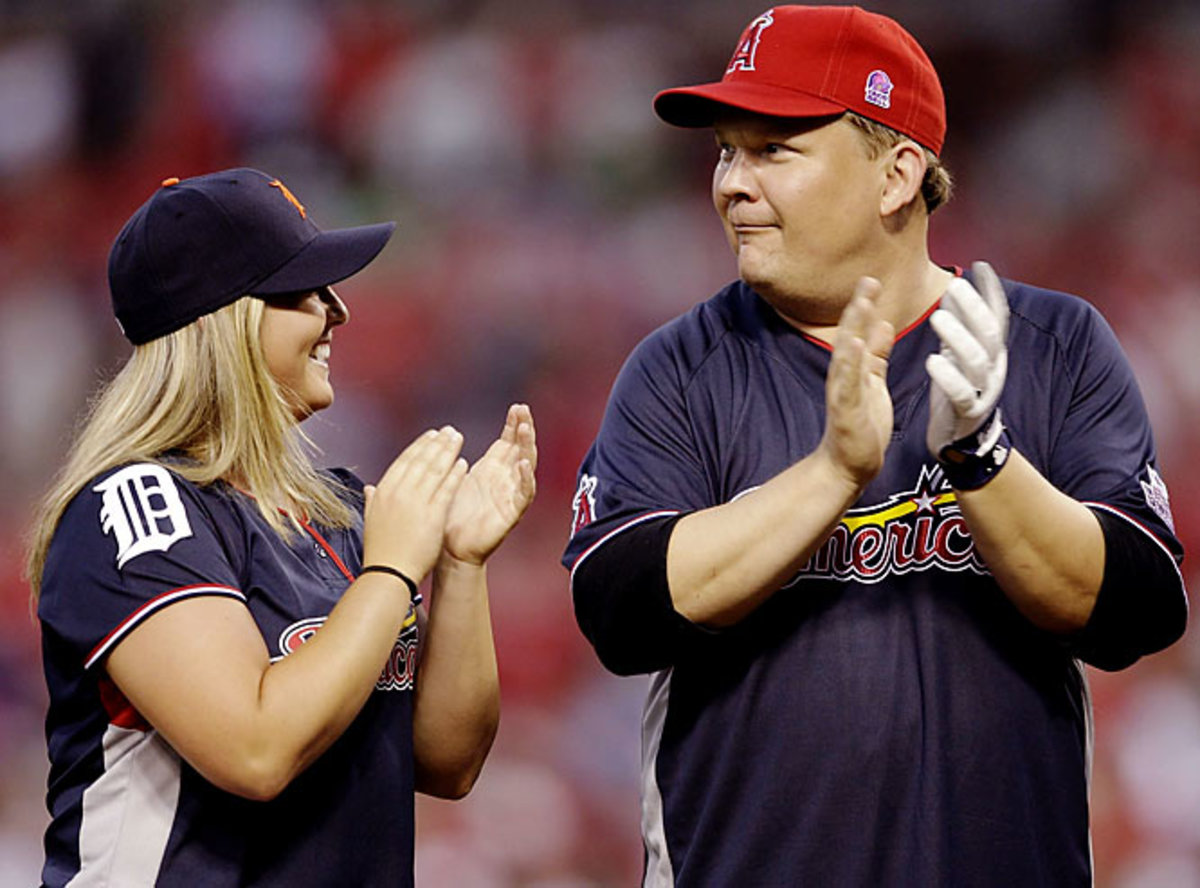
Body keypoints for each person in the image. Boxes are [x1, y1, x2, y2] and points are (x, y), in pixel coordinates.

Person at [562, 6, 1187, 886]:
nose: (732, 184)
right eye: (725, 152)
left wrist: (981, 460)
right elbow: (620, 610)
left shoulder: (1053, 345)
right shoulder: (681, 369)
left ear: (896, 175)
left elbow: (1137, 610)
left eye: (773, 150)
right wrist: (833, 473)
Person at [27, 167, 537, 887]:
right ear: (223, 320)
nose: (338, 312)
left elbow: (445, 764)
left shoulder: (341, 512)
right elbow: (256, 750)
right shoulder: (137, 506)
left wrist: (460, 564)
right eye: (305, 289)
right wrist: (392, 574)